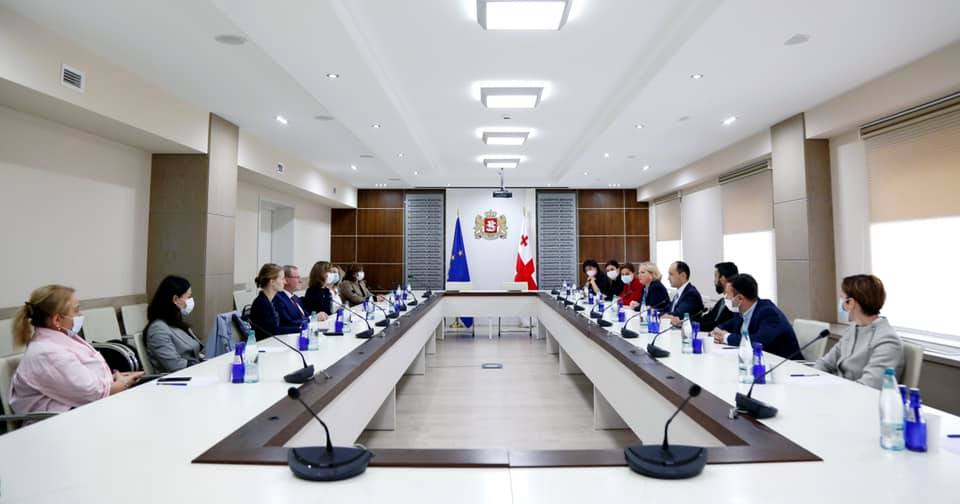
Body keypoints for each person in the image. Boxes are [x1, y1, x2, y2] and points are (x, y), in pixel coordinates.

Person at [9, 285, 143, 415]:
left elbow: (81, 381)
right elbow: (93, 392)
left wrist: (112, 379)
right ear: (57, 320)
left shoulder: (62, 339)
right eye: (76, 310)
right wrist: (123, 383)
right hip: (58, 422)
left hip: (83, 410)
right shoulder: (47, 353)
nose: (80, 314)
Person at [815, 275, 904, 389]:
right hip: (840, 391)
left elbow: (868, 387)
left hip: (858, 396)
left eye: (842, 298)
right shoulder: (853, 328)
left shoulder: (887, 340)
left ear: (850, 303)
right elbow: (825, 363)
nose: (840, 303)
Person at [711, 274, 800, 359]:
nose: (725, 298)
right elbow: (727, 325)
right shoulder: (740, 311)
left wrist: (726, 337)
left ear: (740, 298)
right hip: (756, 360)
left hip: (785, 365)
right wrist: (717, 331)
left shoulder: (769, 313)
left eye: (727, 295)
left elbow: (758, 341)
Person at [144, 275, 204, 373]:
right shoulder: (158, 330)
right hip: (180, 378)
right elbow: (175, 366)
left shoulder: (176, 323)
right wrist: (202, 367)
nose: (190, 301)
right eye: (188, 297)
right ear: (175, 299)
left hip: (193, 372)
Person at [249, 263, 300, 341]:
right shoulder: (262, 303)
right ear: (272, 281)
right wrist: (299, 329)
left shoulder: (269, 300)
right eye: (282, 279)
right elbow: (273, 331)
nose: (285, 282)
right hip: (265, 344)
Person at [698, 262, 739, 332]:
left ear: (722, 279)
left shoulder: (735, 305)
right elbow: (707, 319)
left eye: (715, 277)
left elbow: (717, 325)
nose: (714, 281)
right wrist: (687, 322)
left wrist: (693, 325)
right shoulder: (721, 302)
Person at [273, 265, 307, 331]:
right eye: (297, 277)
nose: (300, 281)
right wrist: (309, 320)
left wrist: (314, 316)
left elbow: (304, 314)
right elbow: (288, 323)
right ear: (286, 280)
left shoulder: (295, 297)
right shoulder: (278, 299)